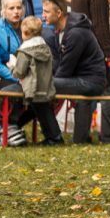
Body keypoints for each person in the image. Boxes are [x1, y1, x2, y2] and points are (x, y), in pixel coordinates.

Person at [44, 0, 108, 144]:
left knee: (43, 85)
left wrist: (48, 81)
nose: (43, 15)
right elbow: (59, 64)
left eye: (46, 12)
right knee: (45, 83)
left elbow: (65, 70)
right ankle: (76, 138)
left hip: (91, 82)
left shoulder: (75, 33)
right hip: (81, 79)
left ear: (59, 13)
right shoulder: (61, 30)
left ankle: (53, 136)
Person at [71, 0, 110, 143]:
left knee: (86, 93)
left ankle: (80, 136)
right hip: (95, 50)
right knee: (107, 90)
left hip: (79, 49)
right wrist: (107, 52)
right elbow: (100, 25)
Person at [0, 0, 30, 146]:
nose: (16, 11)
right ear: (3, 10)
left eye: (19, 7)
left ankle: (12, 127)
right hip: (2, 76)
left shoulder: (27, 27)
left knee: (40, 93)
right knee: (15, 88)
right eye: (12, 8)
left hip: (28, 73)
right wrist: (17, 77)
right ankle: (8, 127)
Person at [11, 16, 64, 145]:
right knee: (42, 111)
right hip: (45, 86)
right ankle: (15, 126)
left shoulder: (25, 51)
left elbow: (19, 72)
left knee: (43, 113)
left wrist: (12, 67)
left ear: (26, 33)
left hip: (32, 87)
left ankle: (54, 137)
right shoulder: (45, 48)